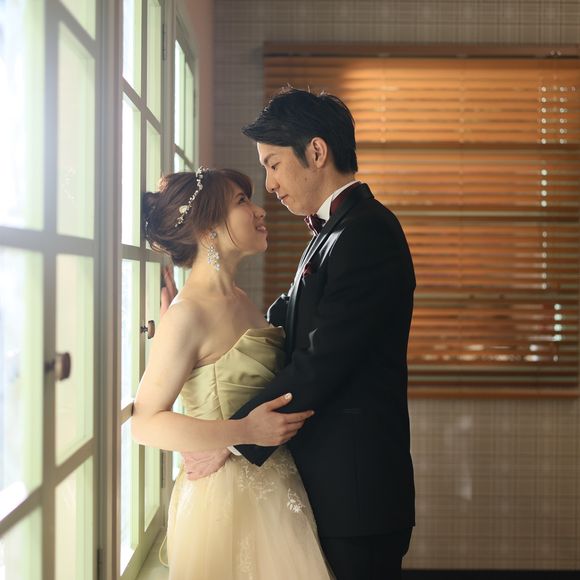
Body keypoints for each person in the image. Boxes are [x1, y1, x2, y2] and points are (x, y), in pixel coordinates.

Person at [188, 87, 416, 580]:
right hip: (332, 487)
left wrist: (231, 439)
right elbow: (286, 320)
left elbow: (322, 361)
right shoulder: (334, 232)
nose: (269, 185)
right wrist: (200, 313)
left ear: (315, 152)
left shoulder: (366, 233)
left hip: (356, 495)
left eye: (273, 165)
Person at [132, 168, 334, 579]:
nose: (260, 210)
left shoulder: (239, 299)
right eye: (242, 201)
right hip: (223, 501)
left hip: (277, 487)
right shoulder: (187, 315)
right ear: (208, 228)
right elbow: (145, 423)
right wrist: (243, 432)